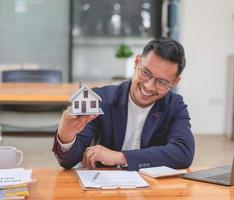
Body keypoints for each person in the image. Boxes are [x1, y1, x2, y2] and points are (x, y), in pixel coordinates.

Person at [52, 39, 195, 171]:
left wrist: (121, 157)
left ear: (174, 82)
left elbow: (183, 153)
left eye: (162, 82)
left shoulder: (175, 105)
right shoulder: (101, 99)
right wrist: (66, 134)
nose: (149, 86)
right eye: (146, 73)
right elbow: (69, 161)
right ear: (137, 62)